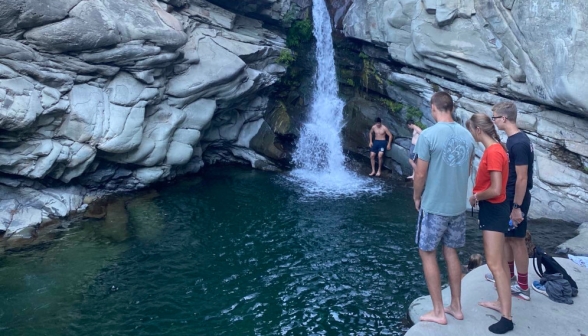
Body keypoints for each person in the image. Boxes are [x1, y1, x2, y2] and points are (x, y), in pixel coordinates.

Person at [413, 92, 475, 325]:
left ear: (433, 108)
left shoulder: (428, 136)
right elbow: (468, 169)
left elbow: (420, 173)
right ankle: (456, 306)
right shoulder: (467, 136)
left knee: (427, 253)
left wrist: (417, 196)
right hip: (458, 206)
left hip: (435, 205)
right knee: (451, 252)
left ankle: (438, 311)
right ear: (452, 108)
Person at [467, 113, 513, 334]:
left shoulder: (494, 152)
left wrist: (476, 197)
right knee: (501, 262)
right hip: (497, 209)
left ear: (478, 130)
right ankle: (500, 302)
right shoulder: (497, 148)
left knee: (495, 264)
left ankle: (507, 317)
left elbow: (495, 189)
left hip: (494, 210)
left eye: (471, 130)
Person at [486, 102, 534, 301]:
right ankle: (508, 277)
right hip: (510, 197)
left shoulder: (519, 142)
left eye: (495, 118)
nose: (494, 121)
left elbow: (522, 178)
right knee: (507, 238)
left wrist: (516, 207)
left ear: (504, 118)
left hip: (517, 199)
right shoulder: (514, 140)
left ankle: (523, 287)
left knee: (517, 241)